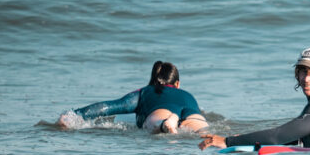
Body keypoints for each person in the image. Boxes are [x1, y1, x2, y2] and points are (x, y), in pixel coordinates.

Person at [198, 47, 310, 150]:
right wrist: (247, 139)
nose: (306, 79)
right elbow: (295, 138)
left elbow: (277, 136)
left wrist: (227, 142)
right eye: (303, 72)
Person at [58, 61, 208, 134]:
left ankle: (165, 123)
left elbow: (110, 107)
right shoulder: (188, 95)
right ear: (177, 83)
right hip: (193, 113)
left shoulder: (145, 92)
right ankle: (195, 129)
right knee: (202, 133)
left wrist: (74, 115)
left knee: (160, 124)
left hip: (161, 113)